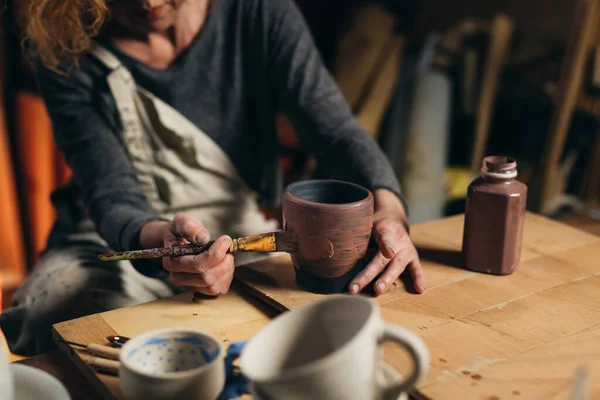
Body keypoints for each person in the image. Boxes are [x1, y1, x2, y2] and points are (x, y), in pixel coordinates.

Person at [0, 0, 426, 356]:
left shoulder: (257, 11)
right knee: (58, 313)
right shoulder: (62, 45)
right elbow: (113, 196)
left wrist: (389, 209)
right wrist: (166, 247)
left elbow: (335, 134)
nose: (149, 1)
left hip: (238, 229)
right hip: (119, 239)